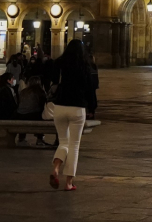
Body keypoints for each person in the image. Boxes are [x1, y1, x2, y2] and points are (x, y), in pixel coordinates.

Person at [49, 39, 94, 192]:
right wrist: (92, 107)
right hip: (77, 108)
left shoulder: (59, 64)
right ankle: (68, 182)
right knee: (74, 146)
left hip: (60, 107)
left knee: (63, 142)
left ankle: (56, 168)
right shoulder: (85, 66)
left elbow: (53, 81)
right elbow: (90, 90)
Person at [17, 75, 48, 146]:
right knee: (41, 115)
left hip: (20, 114)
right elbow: (43, 105)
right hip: (33, 115)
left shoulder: (23, 91)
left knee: (24, 119)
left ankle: (21, 138)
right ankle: (40, 138)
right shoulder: (40, 92)